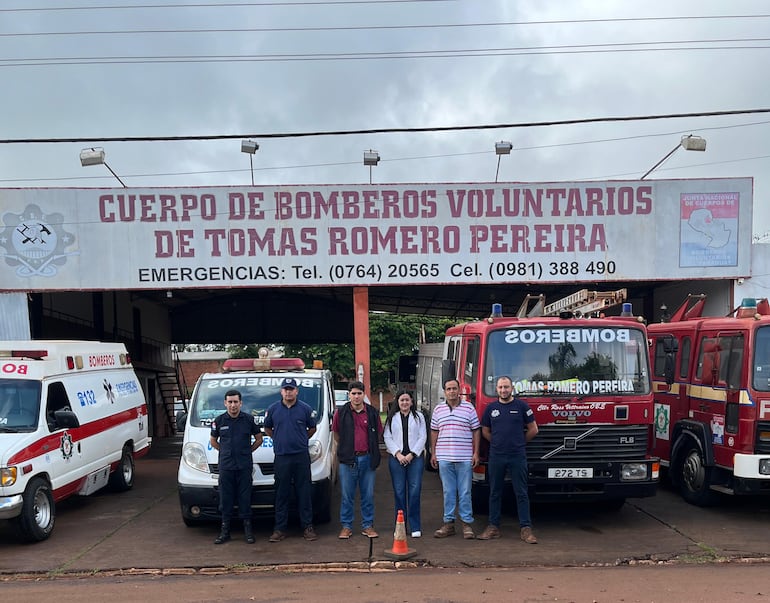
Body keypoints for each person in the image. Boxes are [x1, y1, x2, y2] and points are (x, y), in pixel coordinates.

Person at [477, 375, 539, 544]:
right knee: (495, 492)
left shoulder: (522, 406)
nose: (503, 390)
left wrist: (519, 442)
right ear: (496, 389)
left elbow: (533, 429)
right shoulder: (491, 408)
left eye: (506, 387)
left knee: (521, 492)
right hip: (496, 456)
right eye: (500, 387)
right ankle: (493, 527)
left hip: (517, 456)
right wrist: (498, 443)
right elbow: (485, 431)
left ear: (512, 388)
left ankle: (526, 529)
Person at [263, 377, 318, 543]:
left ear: (296, 391)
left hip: (301, 456)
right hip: (282, 457)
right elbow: (268, 428)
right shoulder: (273, 409)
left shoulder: (305, 409)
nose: (288, 392)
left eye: (291, 389)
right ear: (281, 391)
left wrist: (300, 440)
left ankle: (307, 527)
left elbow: (312, 428)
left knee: (304, 492)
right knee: (281, 493)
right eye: (285, 389)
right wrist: (280, 439)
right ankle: (280, 529)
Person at [209, 389, 263, 545]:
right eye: (230, 402)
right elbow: (213, 441)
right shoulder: (219, 421)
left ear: (241, 403)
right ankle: (225, 532)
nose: (233, 405)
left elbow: (259, 439)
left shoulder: (248, 420)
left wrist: (247, 451)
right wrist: (225, 451)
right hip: (226, 467)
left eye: (236, 402)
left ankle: (248, 532)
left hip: (244, 466)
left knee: (245, 499)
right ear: (225, 403)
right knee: (226, 499)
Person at [332, 380, 383, 539]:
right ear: (349, 395)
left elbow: (378, 434)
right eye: (353, 393)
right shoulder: (340, 413)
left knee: (367, 495)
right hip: (348, 461)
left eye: (359, 393)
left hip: (367, 459)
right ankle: (346, 526)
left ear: (364, 394)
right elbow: (336, 434)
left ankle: (367, 526)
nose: (356, 396)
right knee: (347, 495)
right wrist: (346, 449)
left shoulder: (373, 413)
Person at [430, 378, 480, 539]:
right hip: (444, 457)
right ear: (444, 391)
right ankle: (448, 524)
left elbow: (476, 431)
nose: (451, 391)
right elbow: (434, 431)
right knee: (448, 491)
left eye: (454, 388)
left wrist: (476, 453)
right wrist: (433, 453)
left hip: (464, 457)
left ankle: (467, 524)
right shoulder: (438, 410)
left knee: (465, 492)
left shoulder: (469, 408)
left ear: (459, 390)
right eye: (448, 389)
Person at [383, 390, 427, 538]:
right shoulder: (392, 417)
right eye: (402, 400)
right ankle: (400, 526)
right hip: (397, 459)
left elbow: (423, 437)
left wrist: (412, 454)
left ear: (412, 402)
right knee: (399, 492)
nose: (404, 403)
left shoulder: (419, 417)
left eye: (407, 400)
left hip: (415, 458)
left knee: (414, 492)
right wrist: (398, 454)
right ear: (398, 402)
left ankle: (415, 526)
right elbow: (387, 437)